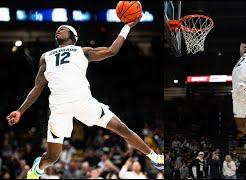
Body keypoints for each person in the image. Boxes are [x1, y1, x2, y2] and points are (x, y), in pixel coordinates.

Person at [5, 15, 163, 179]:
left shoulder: (82, 51)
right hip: (60, 108)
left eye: (63, 28)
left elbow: (111, 51)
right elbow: (37, 87)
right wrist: (20, 111)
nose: (58, 29)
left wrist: (127, 27)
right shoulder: (46, 56)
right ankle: (37, 170)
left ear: (73, 37)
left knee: (122, 128)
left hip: (84, 102)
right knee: (52, 157)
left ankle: (155, 158)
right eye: (58, 29)